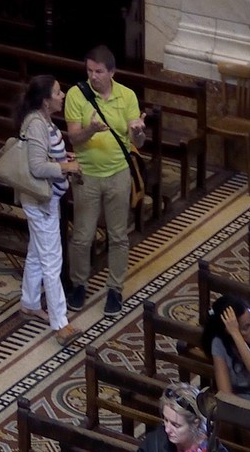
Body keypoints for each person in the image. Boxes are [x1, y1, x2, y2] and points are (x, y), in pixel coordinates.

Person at [64, 43, 145, 314]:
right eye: (89, 71)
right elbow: (74, 137)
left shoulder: (128, 96)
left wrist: (138, 131)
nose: (93, 76)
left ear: (112, 72)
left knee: (118, 235)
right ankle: (78, 285)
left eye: (98, 71)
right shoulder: (77, 94)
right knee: (83, 236)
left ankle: (115, 289)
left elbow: (138, 142)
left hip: (118, 174)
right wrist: (91, 130)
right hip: (86, 175)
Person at [14, 74, 81, 335]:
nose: (62, 95)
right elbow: (38, 166)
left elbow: (46, 154)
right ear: (45, 101)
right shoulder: (36, 125)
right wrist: (67, 166)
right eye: (57, 92)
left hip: (47, 199)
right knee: (53, 260)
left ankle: (30, 303)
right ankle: (60, 322)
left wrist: (65, 157)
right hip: (41, 201)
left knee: (37, 252)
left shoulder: (42, 120)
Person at [135, 382, 212, 449]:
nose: (167, 430)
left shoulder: (212, 448)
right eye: (166, 420)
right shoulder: (155, 441)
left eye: (175, 425)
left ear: (196, 423)